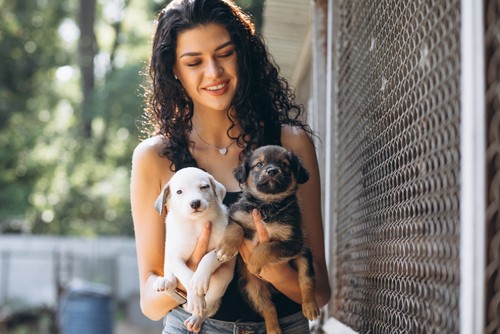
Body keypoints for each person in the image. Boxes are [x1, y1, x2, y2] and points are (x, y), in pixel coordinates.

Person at [130, 0, 331, 333]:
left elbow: (319, 290)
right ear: (174, 70)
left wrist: (265, 265)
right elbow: (150, 304)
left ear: (243, 54)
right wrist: (192, 274)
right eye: (194, 62)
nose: (213, 72)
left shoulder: (289, 147)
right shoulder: (155, 157)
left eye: (224, 54)